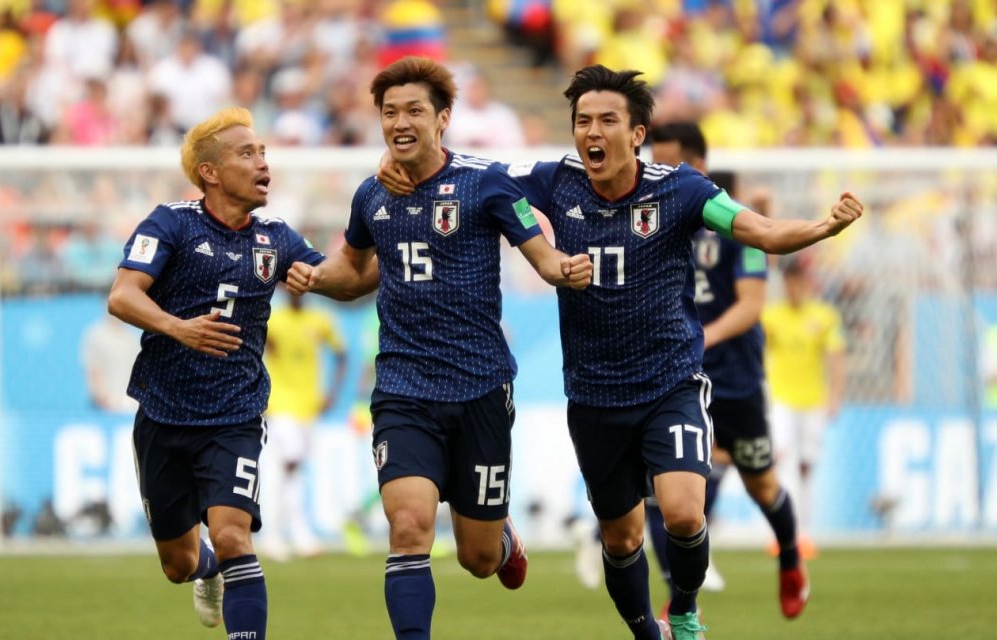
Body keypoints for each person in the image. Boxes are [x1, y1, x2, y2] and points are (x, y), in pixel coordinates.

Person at [380, 66, 863, 640]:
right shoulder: (554, 181)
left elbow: (758, 231)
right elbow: (469, 174)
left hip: (671, 383)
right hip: (594, 396)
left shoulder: (680, 189)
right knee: (620, 537)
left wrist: (822, 227)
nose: (592, 132)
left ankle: (683, 610)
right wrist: (402, 164)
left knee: (685, 511)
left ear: (637, 134)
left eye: (607, 120)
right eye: (583, 120)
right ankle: (645, 631)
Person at [286, 56, 593, 640]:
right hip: (402, 388)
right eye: (389, 112)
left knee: (477, 558)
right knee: (408, 527)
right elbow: (351, 272)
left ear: (444, 117)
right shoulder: (371, 195)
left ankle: (499, 539)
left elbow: (541, 252)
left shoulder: (486, 182)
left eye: (414, 111)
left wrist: (564, 269)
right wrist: (310, 276)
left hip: (479, 385)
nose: (400, 122)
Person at [108, 106, 355, 638]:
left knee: (233, 535)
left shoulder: (276, 237)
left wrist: (341, 261)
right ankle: (206, 569)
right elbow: (122, 297)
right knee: (178, 562)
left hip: (236, 415)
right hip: (164, 413)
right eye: (248, 153)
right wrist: (181, 328)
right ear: (210, 173)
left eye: (263, 151)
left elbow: (342, 279)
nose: (263, 161)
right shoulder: (169, 222)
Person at [647, 121, 808, 619]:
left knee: (762, 485)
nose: (658, 174)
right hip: (676, 378)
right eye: (654, 163)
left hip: (733, 380)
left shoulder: (736, 224)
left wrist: (703, 337)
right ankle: (682, 599)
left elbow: (752, 305)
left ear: (697, 167)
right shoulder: (648, 222)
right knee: (671, 493)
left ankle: (790, 558)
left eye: (669, 164)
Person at [762, 257, 847, 558]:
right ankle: (784, 533)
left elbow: (836, 358)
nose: (794, 286)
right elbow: (760, 354)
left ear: (808, 282)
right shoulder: (772, 316)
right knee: (783, 459)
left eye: (799, 280)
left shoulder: (824, 316)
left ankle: (804, 532)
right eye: (790, 280)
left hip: (813, 401)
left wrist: (835, 396)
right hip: (781, 399)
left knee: (806, 466)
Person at [261, 288, 348, 558]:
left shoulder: (319, 319)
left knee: (294, 469)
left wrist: (332, 393)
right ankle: (278, 533)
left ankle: (293, 532)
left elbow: (341, 354)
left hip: (308, 405)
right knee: (288, 463)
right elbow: (256, 345)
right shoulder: (273, 319)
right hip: (281, 403)